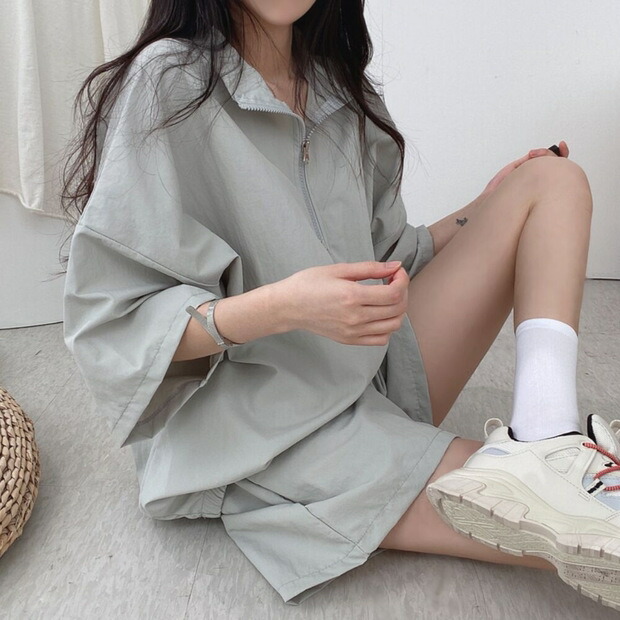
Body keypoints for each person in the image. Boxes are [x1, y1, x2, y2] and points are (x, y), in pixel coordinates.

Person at [59, 0, 619, 611]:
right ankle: (548, 475)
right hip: (268, 431)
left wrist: (485, 208)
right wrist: (286, 308)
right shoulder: (170, 83)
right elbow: (115, 321)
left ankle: (547, 438)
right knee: (589, 522)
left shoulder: (338, 87)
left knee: (552, 181)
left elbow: (390, 257)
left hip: (371, 373)